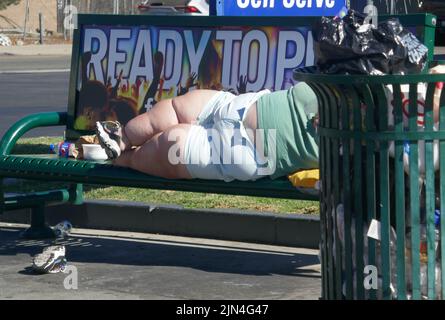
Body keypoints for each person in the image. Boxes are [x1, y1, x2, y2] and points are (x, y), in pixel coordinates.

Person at [95, 82, 319, 182]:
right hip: (240, 106)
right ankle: (121, 142)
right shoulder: (343, 78)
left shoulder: (350, 143)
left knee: (172, 141)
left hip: (248, 146)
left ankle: (121, 155)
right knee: (174, 113)